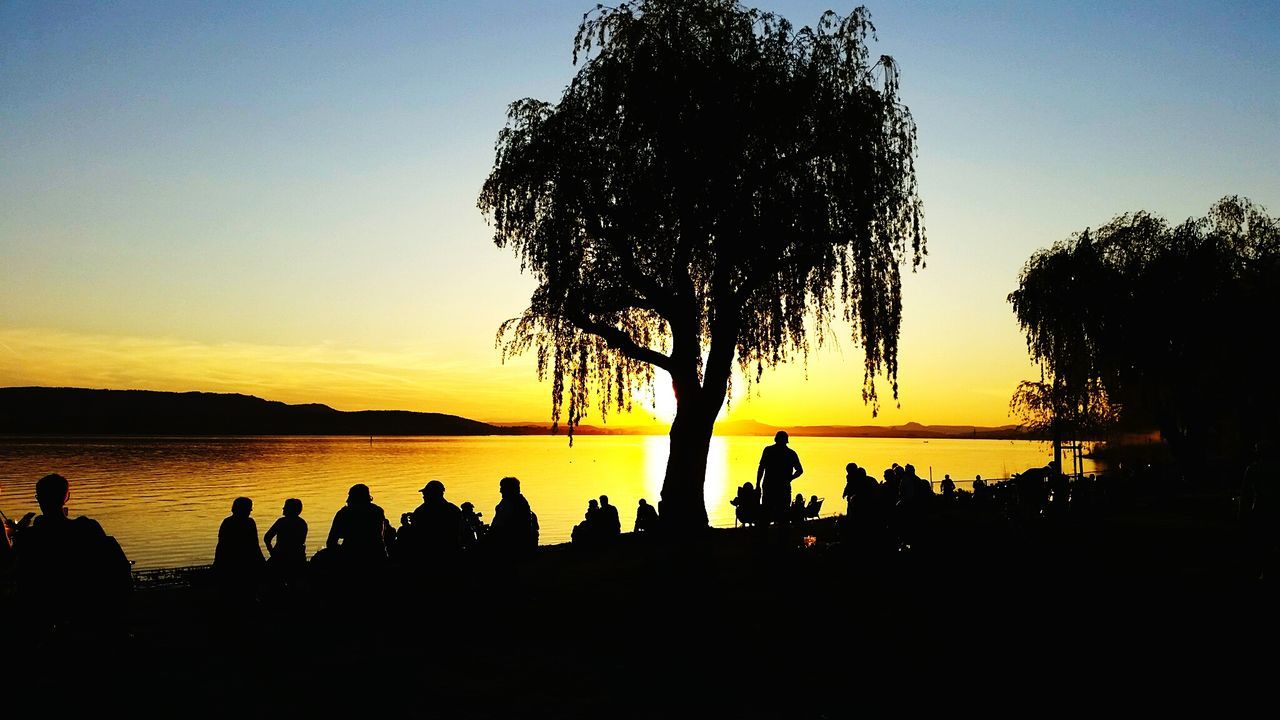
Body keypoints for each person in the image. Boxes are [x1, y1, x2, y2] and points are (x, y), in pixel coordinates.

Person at [13, 473, 132, 636]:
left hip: (45, 607)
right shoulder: (88, 528)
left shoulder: (29, 537)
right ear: (67, 497)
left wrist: (20, 534)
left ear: (38, 499)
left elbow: (17, 572)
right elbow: (119, 566)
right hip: (86, 604)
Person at [215, 497, 266, 596]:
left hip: (233, 560)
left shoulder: (227, 522)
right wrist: (261, 561)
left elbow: (221, 544)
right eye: (249, 509)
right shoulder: (249, 522)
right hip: (243, 560)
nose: (250, 511)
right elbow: (255, 544)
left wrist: (218, 561)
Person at [326, 483, 388, 564]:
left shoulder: (344, 513)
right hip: (377, 555)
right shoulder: (377, 511)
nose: (347, 500)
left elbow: (331, 542)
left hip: (351, 556)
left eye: (350, 496)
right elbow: (380, 536)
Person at [757, 431, 803, 524]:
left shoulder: (768, 450)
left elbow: (761, 468)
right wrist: (791, 478)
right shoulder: (791, 453)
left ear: (776, 439)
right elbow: (800, 470)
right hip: (781, 488)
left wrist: (757, 484)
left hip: (770, 487)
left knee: (767, 514)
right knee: (782, 516)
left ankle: (765, 536)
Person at [410, 480, 464, 558]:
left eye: (426, 494)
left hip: (430, 554)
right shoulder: (453, 509)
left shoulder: (421, 512)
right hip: (452, 552)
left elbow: (417, 536)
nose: (423, 496)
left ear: (434, 494)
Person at [486, 476, 538, 556]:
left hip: (512, 543)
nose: (500, 491)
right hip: (519, 541)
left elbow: (499, 527)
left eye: (502, 488)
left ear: (509, 489)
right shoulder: (519, 501)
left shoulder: (510, 504)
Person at [264, 498, 307, 585]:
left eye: (285, 507)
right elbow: (301, 542)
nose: (283, 509)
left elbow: (267, 538)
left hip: (280, 556)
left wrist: (272, 552)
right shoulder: (302, 523)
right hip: (297, 557)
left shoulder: (281, 522)